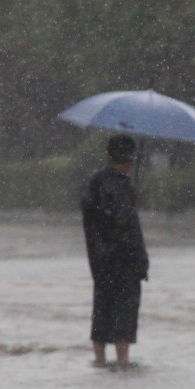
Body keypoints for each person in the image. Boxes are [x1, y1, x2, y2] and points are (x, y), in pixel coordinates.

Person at [82, 133, 148, 368]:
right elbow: (122, 225)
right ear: (129, 159)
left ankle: (99, 360)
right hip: (124, 260)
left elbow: (93, 219)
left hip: (99, 261)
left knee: (102, 309)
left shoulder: (94, 182)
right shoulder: (118, 187)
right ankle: (123, 361)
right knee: (124, 314)